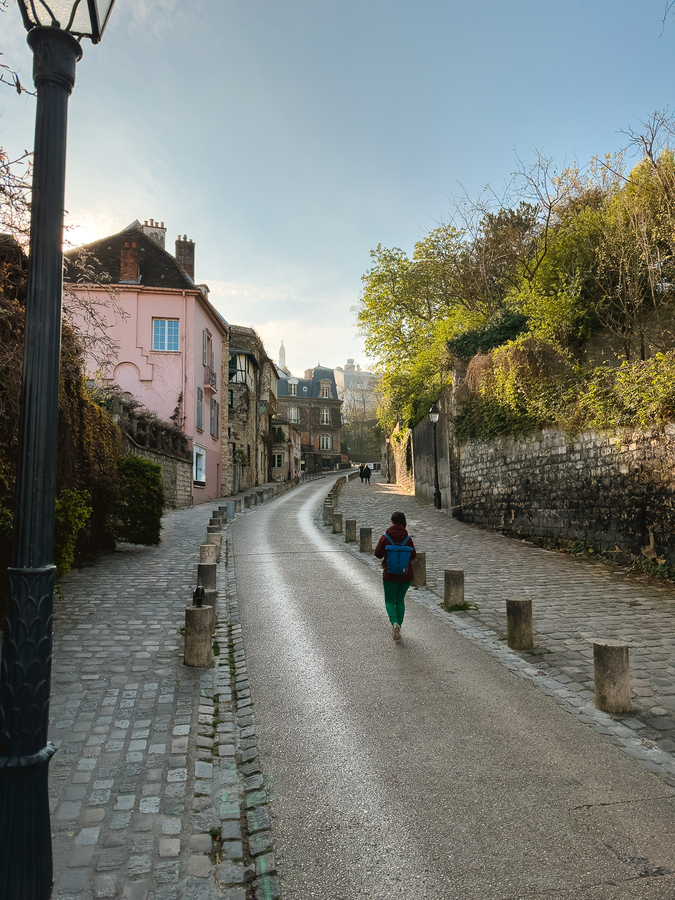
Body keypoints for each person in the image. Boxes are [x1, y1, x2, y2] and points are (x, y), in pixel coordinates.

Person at [373, 511, 417, 641]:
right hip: (405, 574)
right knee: (400, 600)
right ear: (404, 522)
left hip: (390, 574)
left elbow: (377, 554)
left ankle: (394, 624)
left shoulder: (386, 537)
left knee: (390, 600)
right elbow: (413, 556)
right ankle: (399, 627)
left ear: (392, 522)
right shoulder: (408, 538)